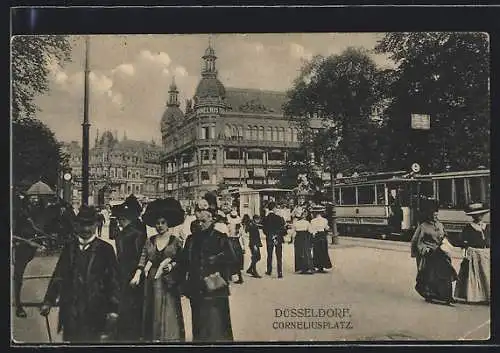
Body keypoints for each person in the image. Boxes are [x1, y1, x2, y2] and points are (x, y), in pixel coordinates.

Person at [39, 206, 121, 343]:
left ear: (96, 225)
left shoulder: (105, 249)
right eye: (82, 224)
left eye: (89, 224)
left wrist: (113, 310)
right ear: (76, 226)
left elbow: (113, 281)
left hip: (96, 310)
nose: (86, 229)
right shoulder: (69, 248)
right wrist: (48, 301)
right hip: (71, 311)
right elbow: (59, 275)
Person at [179, 199, 237, 342]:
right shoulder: (191, 239)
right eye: (198, 221)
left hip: (214, 287)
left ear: (211, 219)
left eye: (203, 221)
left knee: (216, 324)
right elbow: (184, 262)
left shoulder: (220, 237)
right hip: (196, 287)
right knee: (198, 324)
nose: (200, 224)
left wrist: (215, 259)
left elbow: (233, 258)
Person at [129, 198, 186, 342]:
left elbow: (182, 260)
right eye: (157, 223)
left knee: (169, 308)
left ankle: (170, 337)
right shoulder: (150, 240)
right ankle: (154, 337)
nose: (160, 226)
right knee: (153, 306)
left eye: (163, 223)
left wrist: (172, 266)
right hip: (152, 279)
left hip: (169, 279)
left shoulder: (175, 241)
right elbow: (143, 257)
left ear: (168, 224)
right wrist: (138, 273)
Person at [410, 198, 458, 305]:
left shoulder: (440, 225)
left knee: (446, 272)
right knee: (431, 275)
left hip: (441, 253)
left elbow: (445, 236)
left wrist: (446, 243)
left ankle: (447, 296)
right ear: (428, 214)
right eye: (432, 214)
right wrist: (424, 249)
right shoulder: (423, 227)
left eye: (436, 214)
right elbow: (417, 241)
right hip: (430, 254)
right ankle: (431, 294)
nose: (435, 216)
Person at [113, 202, 148, 342]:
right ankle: (132, 331)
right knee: (132, 302)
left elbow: (138, 254)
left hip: (128, 271)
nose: (120, 222)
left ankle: (128, 332)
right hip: (129, 271)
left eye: (121, 219)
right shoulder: (133, 233)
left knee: (129, 301)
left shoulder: (129, 234)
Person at [454, 203, 490, 304]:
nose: (479, 216)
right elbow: (461, 240)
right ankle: (475, 296)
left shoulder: (487, 227)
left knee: (486, 274)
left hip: (486, 253)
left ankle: (487, 296)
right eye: (476, 215)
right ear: (473, 216)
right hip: (474, 253)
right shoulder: (469, 227)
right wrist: (466, 247)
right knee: (474, 275)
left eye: (481, 214)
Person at [262, 201, 286, 278]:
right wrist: (278, 234)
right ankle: (280, 272)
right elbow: (283, 228)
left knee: (269, 254)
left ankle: (269, 270)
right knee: (279, 255)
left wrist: (269, 234)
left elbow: (264, 229)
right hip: (277, 237)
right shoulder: (279, 218)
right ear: (274, 208)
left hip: (269, 237)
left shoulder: (266, 218)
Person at [310, 205, 333, 273]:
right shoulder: (325, 220)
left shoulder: (312, 221)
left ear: (315, 213)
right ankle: (323, 266)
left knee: (316, 251)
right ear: (321, 213)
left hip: (316, 235)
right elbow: (327, 228)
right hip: (322, 235)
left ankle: (318, 266)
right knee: (323, 250)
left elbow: (312, 229)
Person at [292, 207, 314, 275]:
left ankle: (299, 268)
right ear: (304, 216)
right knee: (306, 251)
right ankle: (307, 267)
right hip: (305, 237)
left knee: (298, 251)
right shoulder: (307, 223)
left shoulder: (295, 223)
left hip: (298, 237)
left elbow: (293, 233)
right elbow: (310, 231)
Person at [227, 209, 245, 284]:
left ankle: (229, 276)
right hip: (237, 242)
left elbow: (226, 233)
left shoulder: (228, 225)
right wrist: (243, 247)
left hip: (229, 241)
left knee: (229, 258)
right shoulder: (240, 226)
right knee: (237, 259)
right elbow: (242, 236)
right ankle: (239, 277)